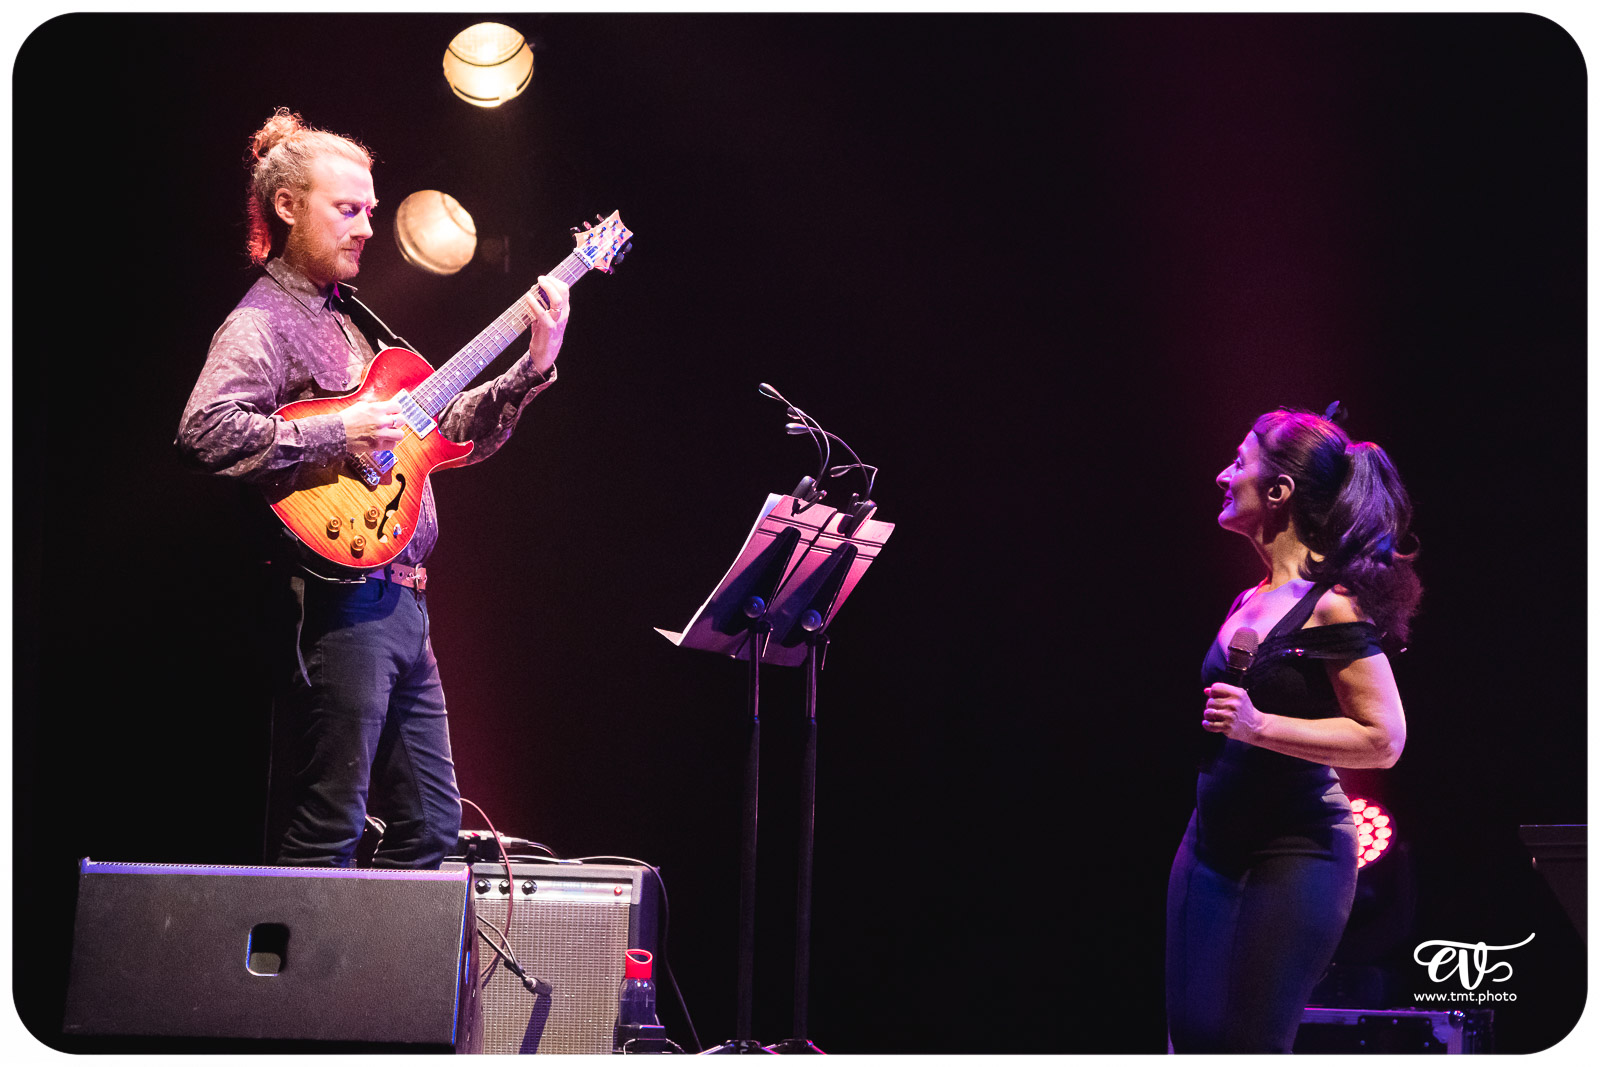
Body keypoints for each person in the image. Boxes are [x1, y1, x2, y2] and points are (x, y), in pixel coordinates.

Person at [176, 108, 571, 868]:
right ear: (288, 206)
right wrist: (339, 431)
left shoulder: (353, 320)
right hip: (338, 605)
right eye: (347, 209)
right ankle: (297, 991)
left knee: (428, 829)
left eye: (369, 211)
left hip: (404, 604)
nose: (365, 227)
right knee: (329, 828)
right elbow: (205, 432)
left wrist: (533, 362)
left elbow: (452, 433)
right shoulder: (262, 321)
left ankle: (377, 988)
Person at [1164, 404, 1420, 1052]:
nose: (1223, 474)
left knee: (1250, 1043)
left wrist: (1258, 723)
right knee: (1191, 1039)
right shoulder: (1248, 598)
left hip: (1296, 852)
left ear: (1278, 491)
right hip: (1209, 845)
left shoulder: (1330, 603)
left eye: (1239, 461)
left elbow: (1384, 737)